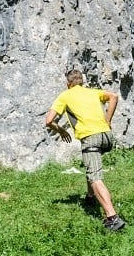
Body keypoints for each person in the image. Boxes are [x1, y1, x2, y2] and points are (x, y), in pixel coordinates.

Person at [44, 69, 126, 232]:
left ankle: (112, 218)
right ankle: (90, 198)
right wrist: (107, 120)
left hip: (90, 137)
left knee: (95, 176)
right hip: (107, 137)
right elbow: (114, 97)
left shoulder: (65, 95)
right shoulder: (92, 92)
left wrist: (61, 131)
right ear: (82, 82)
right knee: (91, 166)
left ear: (68, 83)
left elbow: (49, 120)